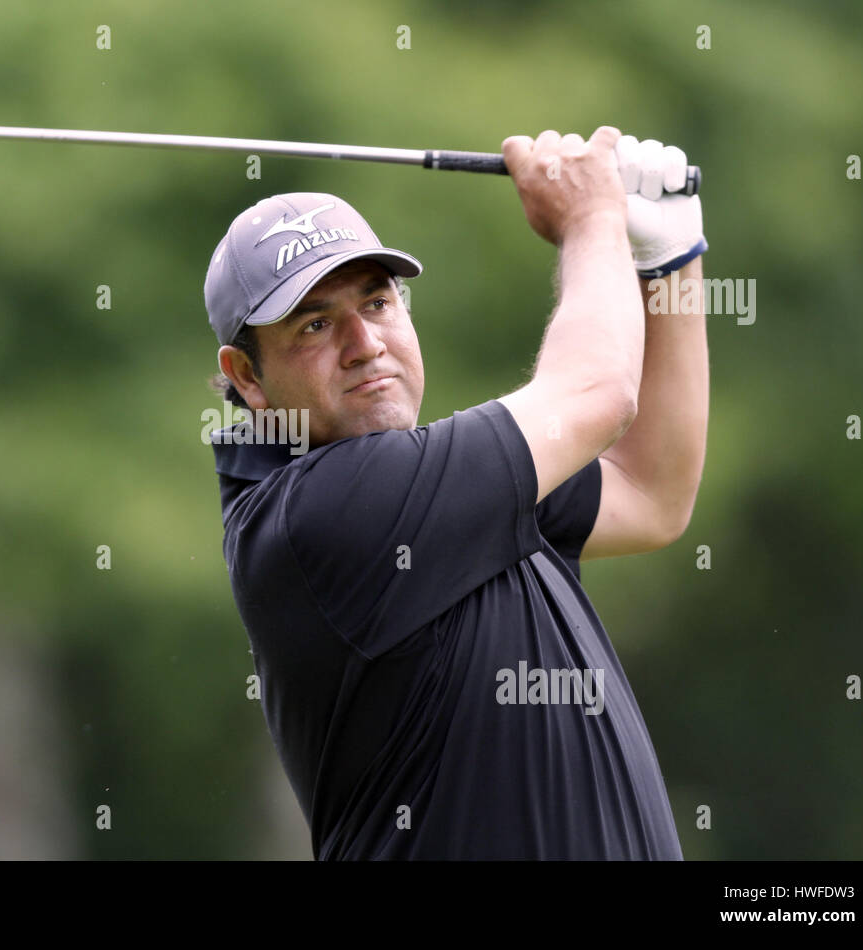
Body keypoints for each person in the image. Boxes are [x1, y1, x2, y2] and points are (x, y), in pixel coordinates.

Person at [202, 126, 708, 859]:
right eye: (315, 324)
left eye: (376, 304)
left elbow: (652, 489)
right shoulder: (320, 515)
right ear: (247, 378)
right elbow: (597, 393)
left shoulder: (440, 489)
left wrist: (669, 261)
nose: (364, 342)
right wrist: (593, 219)